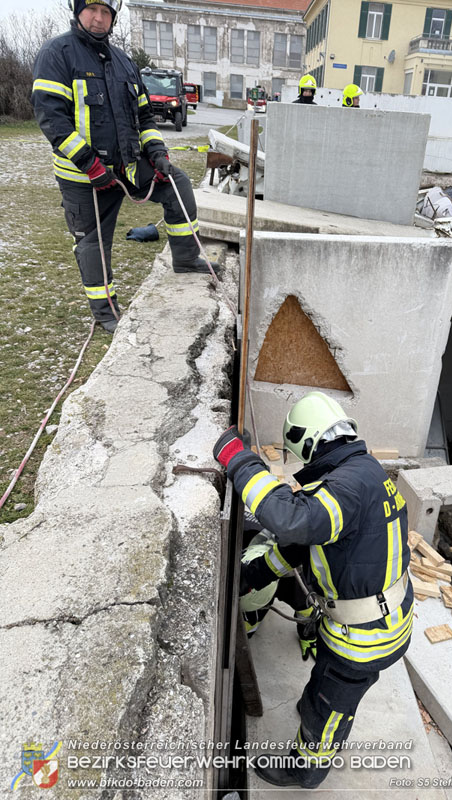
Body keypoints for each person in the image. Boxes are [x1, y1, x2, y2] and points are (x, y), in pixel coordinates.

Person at [213, 391, 414, 789]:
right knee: (324, 686)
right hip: (373, 621)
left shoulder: (347, 487)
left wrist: (238, 459)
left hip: (365, 637)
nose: (302, 466)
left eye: (301, 455)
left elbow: (289, 521)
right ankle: (314, 722)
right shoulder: (363, 473)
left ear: (309, 441)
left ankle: (307, 769)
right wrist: (250, 575)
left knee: (329, 705)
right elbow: (301, 547)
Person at [31, 0, 211, 334]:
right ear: (78, 11)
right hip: (83, 176)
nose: (99, 19)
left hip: (128, 167)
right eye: (92, 11)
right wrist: (90, 165)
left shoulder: (124, 62)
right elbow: (52, 120)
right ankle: (106, 313)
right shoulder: (58, 53)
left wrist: (157, 153)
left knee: (178, 186)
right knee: (93, 244)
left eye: (106, 13)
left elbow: (144, 116)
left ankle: (186, 259)